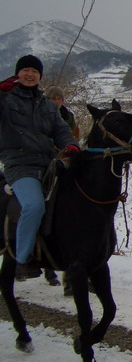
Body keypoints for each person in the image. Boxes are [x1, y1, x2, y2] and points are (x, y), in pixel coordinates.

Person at [0, 55, 80, 270]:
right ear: (18, 73)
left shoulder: (48, 105)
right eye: (25, 70)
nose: (30, 74)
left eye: (34, 71)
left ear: (40, 76)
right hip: (20, 164)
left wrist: (70, 145)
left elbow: (61, 130)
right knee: (34, 206)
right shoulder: (6, 100)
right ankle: (22, 260)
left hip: (48, 164)